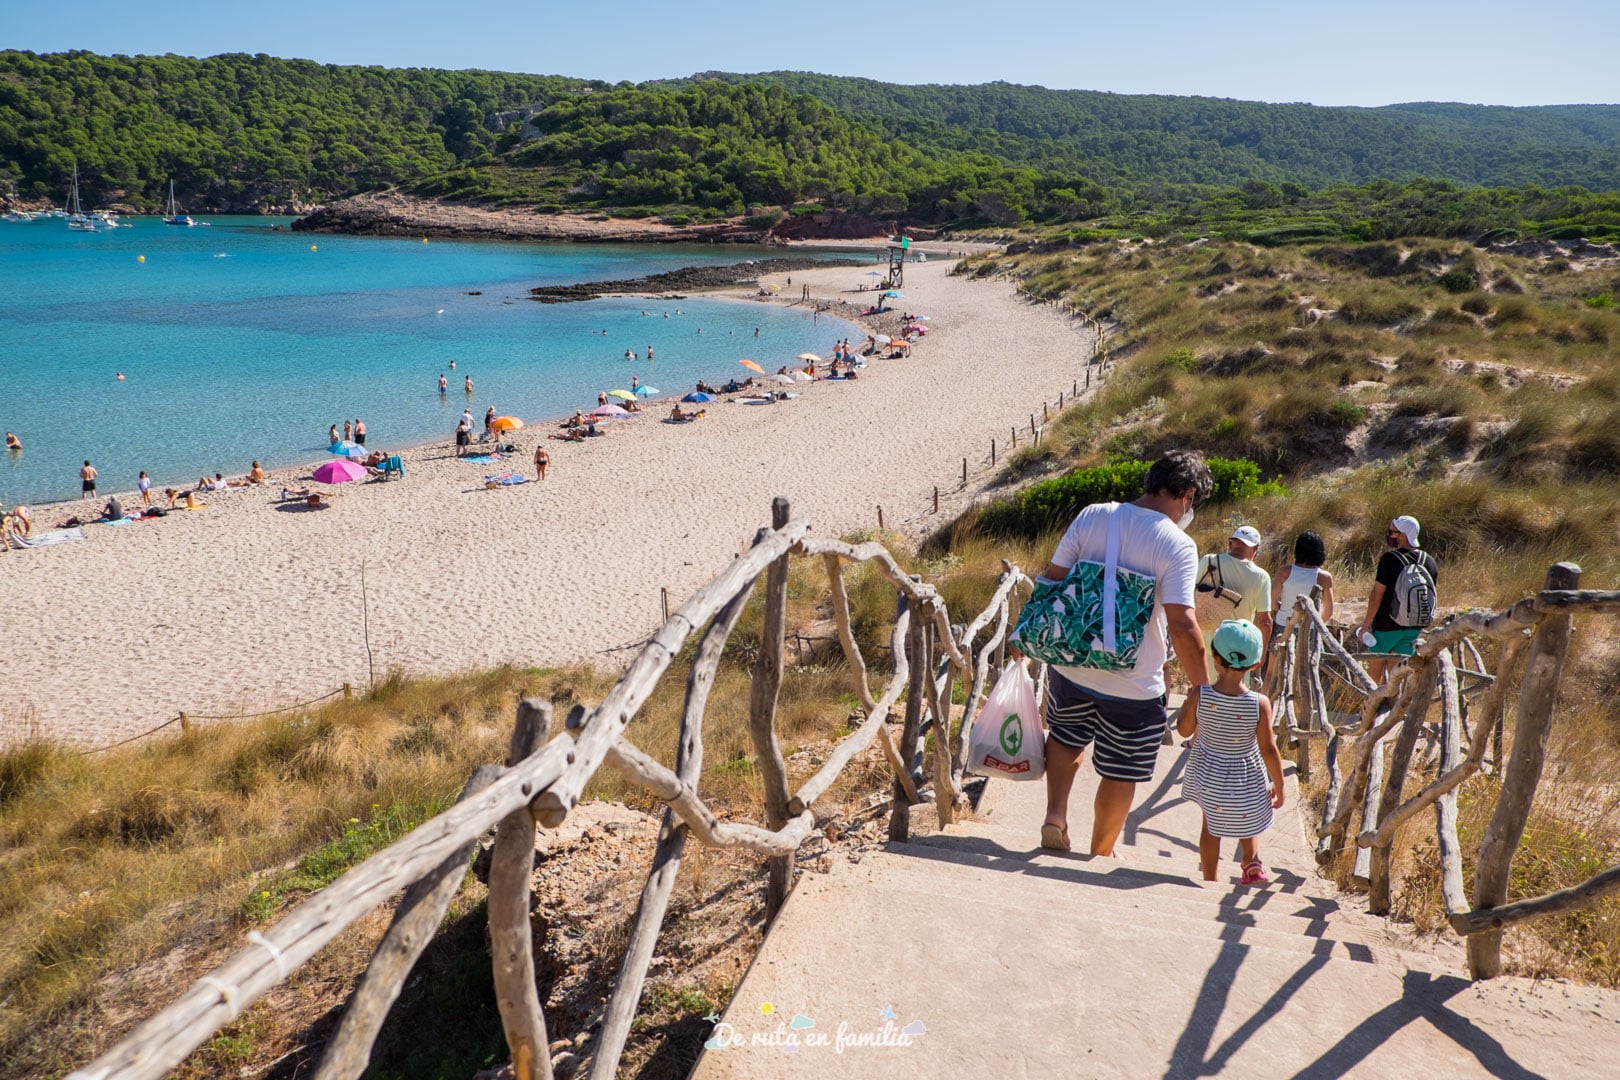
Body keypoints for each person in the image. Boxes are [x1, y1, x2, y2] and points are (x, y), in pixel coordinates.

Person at [1037, 450, 1213, 856]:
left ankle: (1055, 816)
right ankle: (1100, 852)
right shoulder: (1178, 544)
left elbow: (1053, 580)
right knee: (1121, 771)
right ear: (1187, 494)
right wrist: (1201, 687)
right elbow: (1183, 626)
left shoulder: (1094, 513)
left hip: (1072, 663)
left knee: (1064, 738)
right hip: (1134, 681)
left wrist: (1025, 635)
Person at [1175, 619, 1284, 885]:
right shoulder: (1260, 704)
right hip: (1245, 774)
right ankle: (1252, 864)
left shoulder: (1202, 694)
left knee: (1211, 827)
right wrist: (1280, 785)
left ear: (1215, 658)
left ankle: (1210, 880)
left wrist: (1188, 705)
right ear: (1256, 664)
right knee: (1248, 816)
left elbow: (1183, 730)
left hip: (1209, 774)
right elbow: (1268, 748)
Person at [1358, 515, 1439, 684]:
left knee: (1375, 669)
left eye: (1391, 532)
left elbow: (1377, 594)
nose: (1389, 535)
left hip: (1387, 626)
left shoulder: (1390, 559)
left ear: (1402, 535)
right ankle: (1395, 706)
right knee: (1398, 674)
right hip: (1414, 626)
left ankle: (1371, 703)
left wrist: (1367, 625)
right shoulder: (1429, 561)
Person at [1198, 525, 1272, 681]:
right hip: (1241, 652)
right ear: (1255, 550)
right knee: (1234, 700)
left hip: (1207, 645)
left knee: (1203, 698)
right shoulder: (1261, 577)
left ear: (1231, 543)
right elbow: (1265, 621)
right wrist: (1261, 653)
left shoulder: (1209, 561)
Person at [1270, 530, 1336, 635]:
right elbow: (1328, 611)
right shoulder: (1324, 577)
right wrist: (1316, 625)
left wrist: (1283, 609)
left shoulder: (1284, 572)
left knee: (1275, 649)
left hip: (1282, 625)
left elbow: (1272, 603)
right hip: (1309, 629)